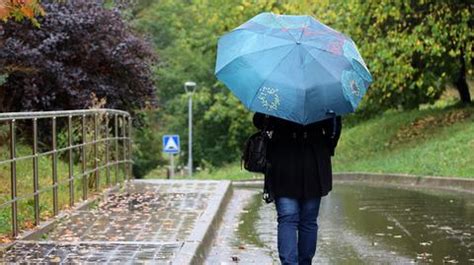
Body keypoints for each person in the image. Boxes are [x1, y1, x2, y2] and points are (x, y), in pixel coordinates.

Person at [253, 112, 342, 265]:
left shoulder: (278, 92)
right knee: (308, 220)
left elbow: (259, 121)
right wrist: (324, 147)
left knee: (288, 218)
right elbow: (334, 128)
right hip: (314, 158)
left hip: (283, 158)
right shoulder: (322, 95)